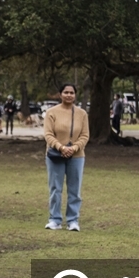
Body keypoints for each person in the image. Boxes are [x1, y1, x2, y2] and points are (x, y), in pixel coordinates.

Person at [43, 83, 90, 231]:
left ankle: (73, 220)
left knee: (74, 190)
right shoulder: (51, 112)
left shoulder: (82, 114)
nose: (69, 95)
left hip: (76, 156)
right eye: (66, 92)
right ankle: (55, 219)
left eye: (71, 93)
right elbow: (48, 134)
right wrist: (61, 147)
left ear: (75, 95)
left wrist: (74, 148)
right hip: (55, 155)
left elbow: (85, 135)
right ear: (60, 94)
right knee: (55, 188)